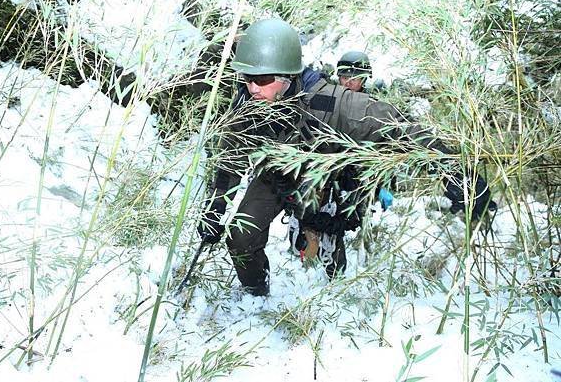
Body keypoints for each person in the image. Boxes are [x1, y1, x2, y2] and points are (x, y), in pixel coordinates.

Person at [197, 19, 495, 296]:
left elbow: (399, 126)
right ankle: (256, 296)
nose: (252, 88)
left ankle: (335, 285)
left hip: (323, 179)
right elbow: (229, 160)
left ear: (288, 76)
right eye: (247, 78)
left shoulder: (333, 103)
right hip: (275, 177)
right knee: (240, 237)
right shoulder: (246, 104)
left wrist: (458, 174)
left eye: (262, 80)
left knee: (327, 237)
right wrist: (214, 209)